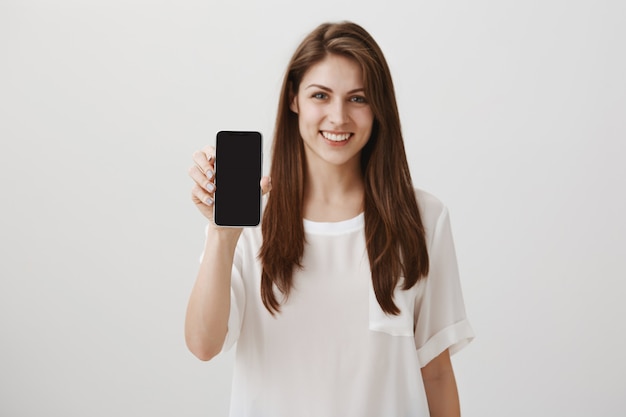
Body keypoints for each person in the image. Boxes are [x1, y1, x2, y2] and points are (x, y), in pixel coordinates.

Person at [186, 21, 474, 417]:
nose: (338, 117)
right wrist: (221, 234)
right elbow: (203, 344)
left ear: (378, 107)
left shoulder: (422, 219)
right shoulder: (251, 222)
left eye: (357, 98)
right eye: (321, 95)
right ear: (294, 100)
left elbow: (437, 374)